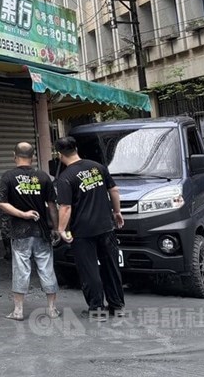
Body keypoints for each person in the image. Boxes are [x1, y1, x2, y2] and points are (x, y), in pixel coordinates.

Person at [54, 136, 126, 321]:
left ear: (59, 154)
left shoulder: (65, 178)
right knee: (111, 267)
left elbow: (65, 207)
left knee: (89, 270)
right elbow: (114, 190)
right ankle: (117, 306)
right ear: (76, 148)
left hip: (83, 231)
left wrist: (61, 229)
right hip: (106, 226)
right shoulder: (97, 167)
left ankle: (97, 310)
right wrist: (117, 212)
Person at [0, 142, 60, 321]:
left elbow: (0, 202)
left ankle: (18, 311)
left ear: (14, 155)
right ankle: (52, 309)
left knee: (21, 270)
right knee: (46, 269)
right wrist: (56, 227)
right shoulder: (43, 176)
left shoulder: (8, 177)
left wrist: (22, 214)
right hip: (42, 232)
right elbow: (53, 206)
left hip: (19, 232)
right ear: (33, 156)